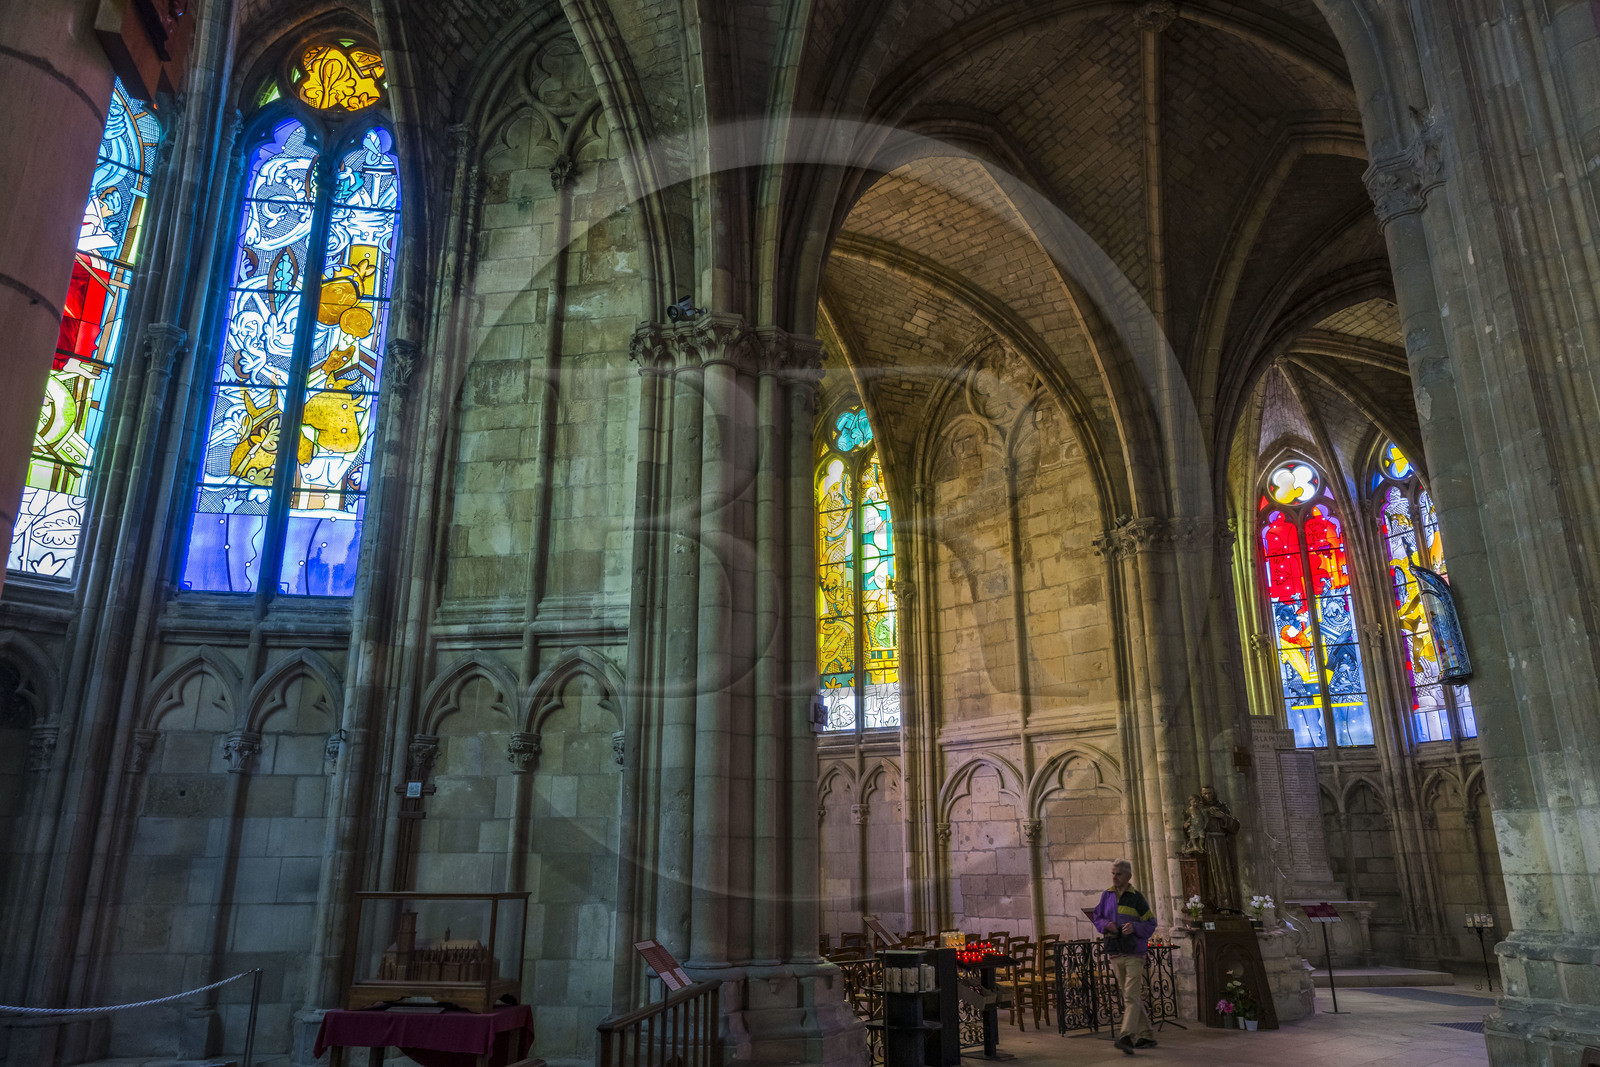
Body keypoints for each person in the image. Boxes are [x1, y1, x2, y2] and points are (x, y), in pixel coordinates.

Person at [1091, 859, 1158, 1055]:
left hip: (1134, 953)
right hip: (1115, 951)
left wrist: (1134, 927)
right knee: (1130, 995)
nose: (1114, 877)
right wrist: (1106, 925)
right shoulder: (1107, 895)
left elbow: (1151, 924)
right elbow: (1097, 917)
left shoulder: (1137, 898)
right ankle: (1146, 1035)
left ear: (1129, 876)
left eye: (1118, 874)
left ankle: (1126, 1036)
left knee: (1130, 996)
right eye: (1113, 873)